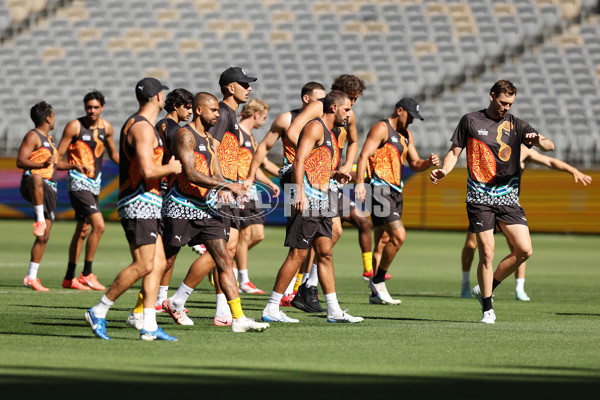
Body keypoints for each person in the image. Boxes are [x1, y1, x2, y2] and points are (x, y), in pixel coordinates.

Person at [430, 79, 555, 324]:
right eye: (502, 102)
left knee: (525, 250)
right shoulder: (470, 120)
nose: (506, 107)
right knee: (487, 252)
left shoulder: (517, 125)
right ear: (491, 96)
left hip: (508, 197)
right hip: (479, 196)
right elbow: (454, 152)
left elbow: (550, 146)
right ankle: (488, 309)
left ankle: (488, 286)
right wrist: (444, 171)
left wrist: (539, 141)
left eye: (510, 104)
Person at [159, 92, 269, 332]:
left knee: (224, 258)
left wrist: (234, 187)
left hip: (205, 209)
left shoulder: (209, 140)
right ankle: (140, 310)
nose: (218, 115)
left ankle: (237, 319)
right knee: (164, 261)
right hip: (180, 207)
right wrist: (225, 185)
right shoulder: (184, 134)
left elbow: (216, 174)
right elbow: (190, 173)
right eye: (214, 111)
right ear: (199, 111)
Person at [84, 77, 182, 341]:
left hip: (149, 203)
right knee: (143, 264)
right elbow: (149, 170)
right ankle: (99, 310)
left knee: (158, 263)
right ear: (159, 97)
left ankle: (149, 324)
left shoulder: (141, 124)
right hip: (139, 203)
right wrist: (172, 168)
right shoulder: (141, 128)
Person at [261, 90, 363, 324]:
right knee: (298, 254)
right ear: (333, 108)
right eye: (347, 109)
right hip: (307, 198)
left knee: (325, 254)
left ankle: (334, 311)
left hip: (323, 200)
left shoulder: (332, 133)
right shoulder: (315, 127)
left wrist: (334, 173)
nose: (350, 113)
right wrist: (298, 193)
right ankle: (272, 307)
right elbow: (298, 160)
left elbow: (314, 164)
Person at [460, 145, 593, 300]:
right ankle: (465, 284)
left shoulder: (523, 151)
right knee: (471, 245)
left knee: (519, 248)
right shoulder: (491, 144)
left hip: (507, 206)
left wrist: (573, 170)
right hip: (485, 204)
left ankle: (519, 288)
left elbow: (549, 161)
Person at [242, 81, 326, 307]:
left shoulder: (325, 124)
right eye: (320, 98)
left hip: (320, 183)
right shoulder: (286, 120)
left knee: (316, 239)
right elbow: (263, 148)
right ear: (307, 99)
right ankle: (288, 291)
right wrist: (251, 175)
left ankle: (300, 289)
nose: (324, 103)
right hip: (296, 180)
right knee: (300, 243)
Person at [355, 98, 439, 305]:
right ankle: (378, 280)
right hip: (378, 188)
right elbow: (363, 155)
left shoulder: (406, 135)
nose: (411, 121)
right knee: (399, 236)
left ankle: (375, 294)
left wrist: (428, 163)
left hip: (395, 190)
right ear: (399, 110)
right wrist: (359, 183)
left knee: (383, 241)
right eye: (409, 116)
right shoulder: (381, 128)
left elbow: (415, 163)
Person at [125, 88, 194, 326]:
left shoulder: (159, 126)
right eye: (187, 106)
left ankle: (159, 304)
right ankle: (139, 309)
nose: (191, 111)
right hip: (170, 193)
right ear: (174, 105)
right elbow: (184, 164)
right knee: (158, 259)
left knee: (165, 258)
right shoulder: (175, 130)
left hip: (164, 192)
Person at [17, 101, 87, 291]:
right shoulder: (33, 136)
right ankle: (39, 219)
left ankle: (31, 277)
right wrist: (40, 166)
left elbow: (54, 164)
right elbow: (20, 161)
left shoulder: (50, 139)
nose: (54, 118)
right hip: (34, 184)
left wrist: (74, 166)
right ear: (48, 117)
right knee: (37, 179)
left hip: (50, 188)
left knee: (44, 236)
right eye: (53, 115)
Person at [56, 90, 119, 291]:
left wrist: (135, 166)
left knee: (83, 230)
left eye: (96, 107)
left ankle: (69, 278)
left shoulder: (106, 127)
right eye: (89, 107)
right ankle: (86, 274)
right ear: (85, 107)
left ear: (102, 108)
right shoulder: (74, 126)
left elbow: (114, 154)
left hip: (95, 184)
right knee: (99, 226)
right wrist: (74, 166)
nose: (92, 111)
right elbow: (56, 159)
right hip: (78, 183)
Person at [235, 98, 280, 294]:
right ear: (255, 115)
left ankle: (230, 266)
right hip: (239, 191)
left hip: (251, 191)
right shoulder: (235, 133)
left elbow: (256, 167)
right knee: (245, 235)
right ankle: (243, 280)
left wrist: (270, 181)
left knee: (258, 235)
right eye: (264, 117)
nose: (264, 122)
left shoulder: (251, 138)